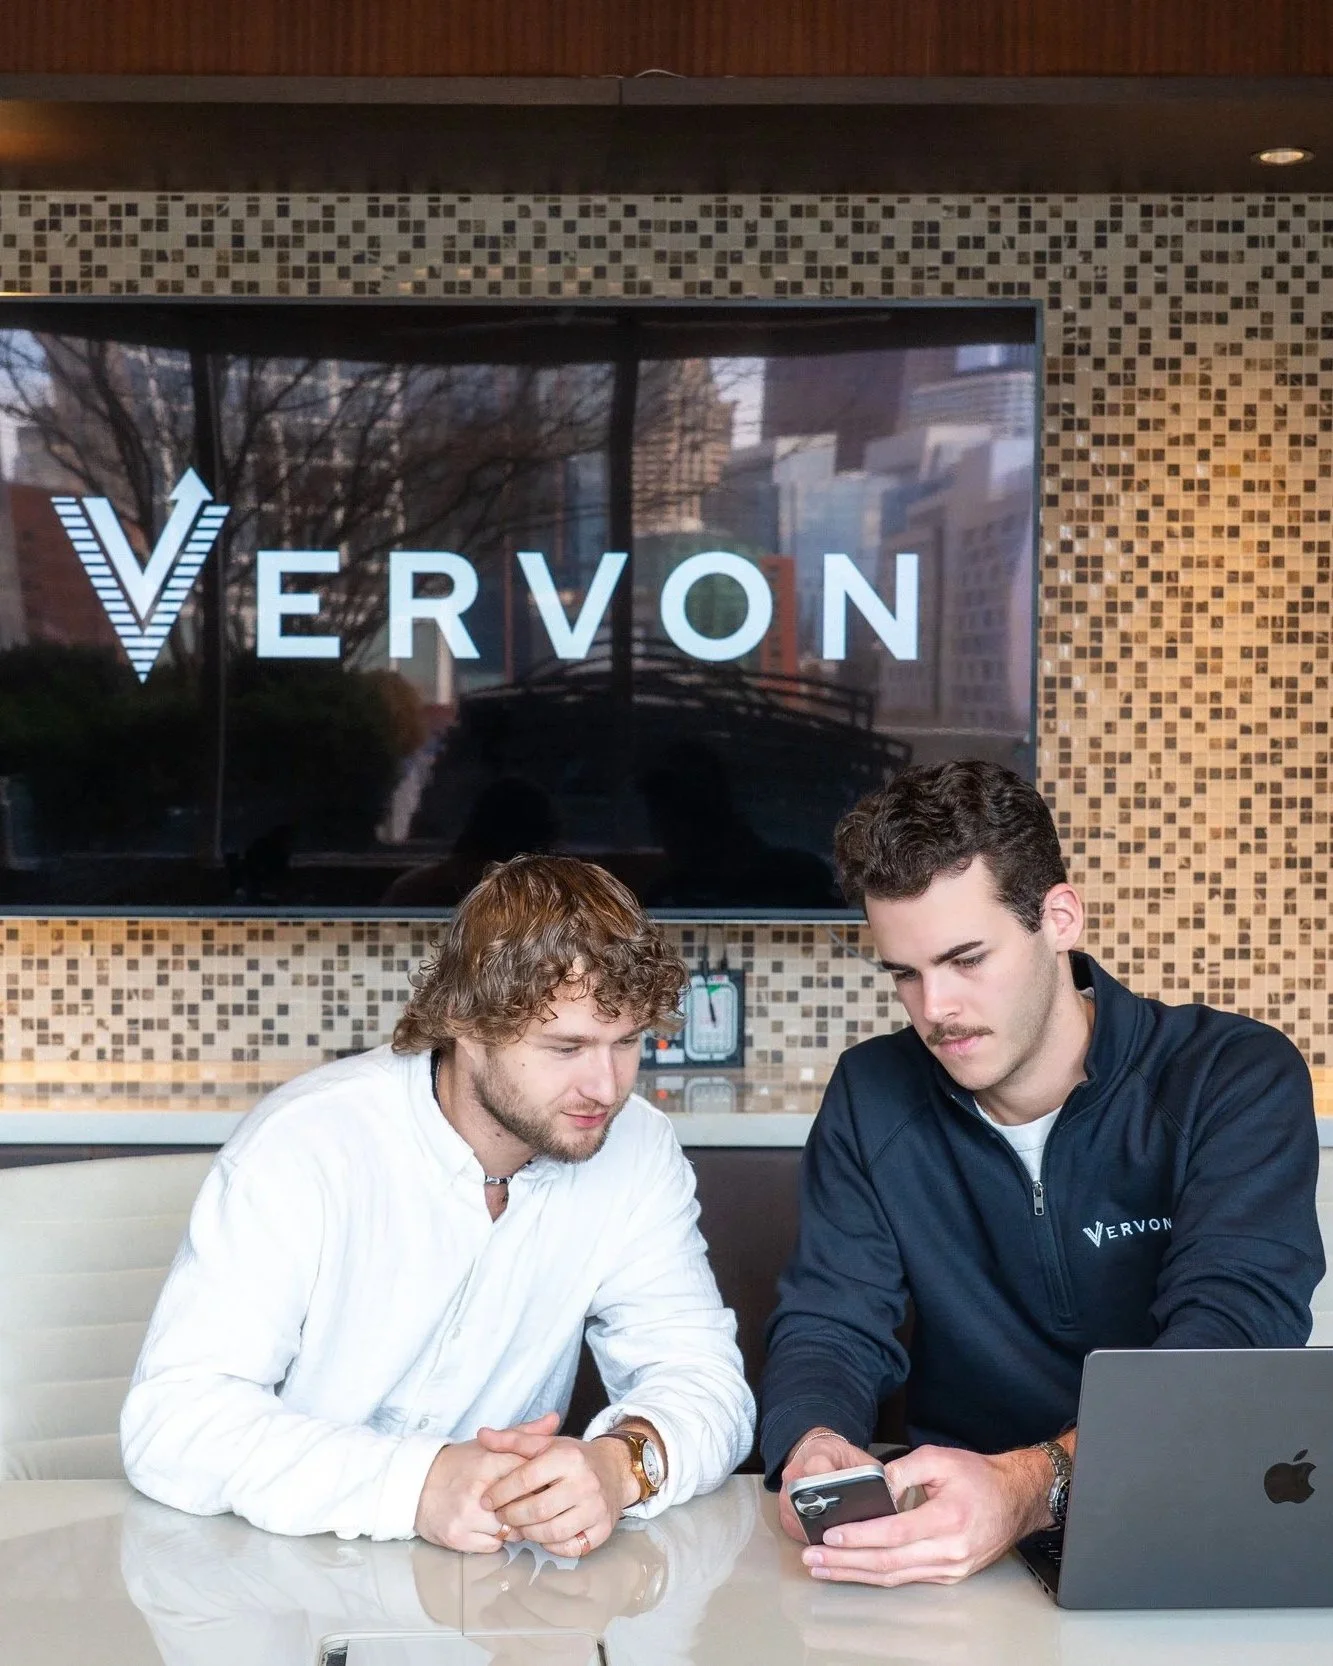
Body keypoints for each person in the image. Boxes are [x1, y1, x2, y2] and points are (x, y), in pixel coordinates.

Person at [762, 760, 1325, 1588]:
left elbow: (1224, 1347)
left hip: (1186, 1514)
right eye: (904, 974)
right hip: (945, 1533)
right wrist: (812, 1442)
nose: (935, 1008)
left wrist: (1032, 1485)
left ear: (1058, 917)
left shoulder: (1230, 1076)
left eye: (965, 959)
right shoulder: (872, 1092)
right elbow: (830, 1324)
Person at [122, 855, 754, 1552]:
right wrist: (420, 1483)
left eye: (627, 1043)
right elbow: (175, 1423)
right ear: (463, 1021)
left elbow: (703, 1381)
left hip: (490, 1593)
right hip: (274, 1570)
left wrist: (620, 1464)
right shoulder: (307, 1142)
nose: (605, 1087)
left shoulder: (637, 1149)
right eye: (565, 1046)